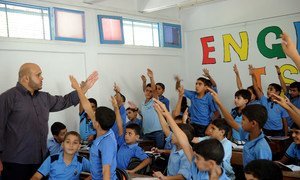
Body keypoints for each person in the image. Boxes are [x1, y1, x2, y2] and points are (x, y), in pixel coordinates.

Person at [0, 63, 97, 179]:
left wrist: (84, 88)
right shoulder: (7, 98)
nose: (42, 78)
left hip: (40, 161)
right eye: (38, 75)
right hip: (15, 162)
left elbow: (65, 101)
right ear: (26, 78)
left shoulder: (44, 98)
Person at [153, 99, 229, 179]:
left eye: (197, 158)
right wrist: (167, 114)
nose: (194, 160)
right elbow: (184, 141)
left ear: (211, 164)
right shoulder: (198, 167)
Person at [207, 87, 272, 166]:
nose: (241, 122)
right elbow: (231, 121)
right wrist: (219, 102)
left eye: (243, 120)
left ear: (253, 124)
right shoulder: (248, 134)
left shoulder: (261, 148)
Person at [70, 75, 117, 180]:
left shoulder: (107, 143)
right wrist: (79, 88)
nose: (92, 115)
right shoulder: (105, 129)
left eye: (94, 116)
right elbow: (86, 106)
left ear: (97, 124)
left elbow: (106, 172)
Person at [152, 104, 192, 180]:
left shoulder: (187, 154)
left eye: (175, 134)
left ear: (182, 138)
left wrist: (165, 178)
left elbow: (182, 177)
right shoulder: (176, 146)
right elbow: (165, 128)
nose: (172, 135)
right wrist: (158, 112)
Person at [250, 65, 289, 136]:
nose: (268, 91)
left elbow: (285, 121)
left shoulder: (282, 104)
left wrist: (286, 135)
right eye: (268, 89)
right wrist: (253, 75)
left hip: (278, 131)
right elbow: (255, 88)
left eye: (271, 89)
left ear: (277, 92)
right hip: (265, 131)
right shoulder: (264, 100)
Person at [140, 69, 164, 149]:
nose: (148, 93)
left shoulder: (154, 101)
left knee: (159, 154)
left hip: (157, 133)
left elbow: (154, 90)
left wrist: (151, 78)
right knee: (146, 153)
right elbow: (144, 116)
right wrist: (144, 82)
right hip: (146, 133)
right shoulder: (143, 103)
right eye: (147, 91)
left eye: (150, 92)